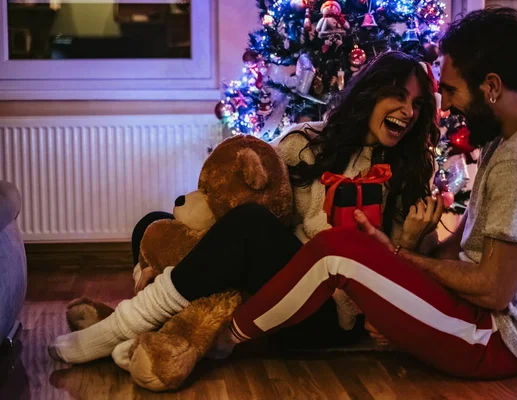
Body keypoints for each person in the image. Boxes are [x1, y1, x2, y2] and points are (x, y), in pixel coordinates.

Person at [203, 7, 517, 379]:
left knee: (336, 251)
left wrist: (395, 256)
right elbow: (457, 252)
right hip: (474, 317)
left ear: (491, 86)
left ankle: (221, 340)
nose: (447, 109)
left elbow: (494, 290)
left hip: (493, 340)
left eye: (453, 91)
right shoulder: (507, 143)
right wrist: (391, 257)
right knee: (346, 248)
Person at [49, 51, 445, 364]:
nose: (408, 112)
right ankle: (148, 322)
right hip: (268, 283)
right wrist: (171, 254)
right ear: (370, 94)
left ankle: (120, 327)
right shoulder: (304, 143)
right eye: (398, 95)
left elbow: (403, 286)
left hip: (325, 314)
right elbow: (244, 205)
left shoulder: (409, 175)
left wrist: (409, 240)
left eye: (418, 104)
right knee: (155, 224)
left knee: (251, 224)